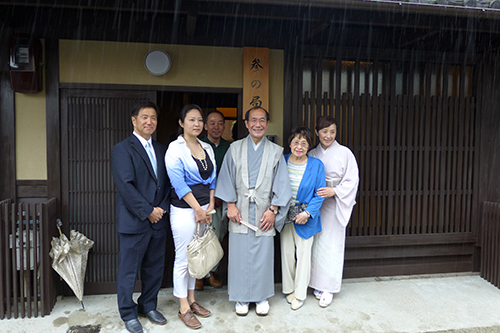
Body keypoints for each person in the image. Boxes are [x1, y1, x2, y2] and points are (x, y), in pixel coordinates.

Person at [215, 106, 292, 316]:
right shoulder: (235, 148)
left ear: (267, 124)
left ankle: (260, 297)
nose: (258, 124)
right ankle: (240, 297)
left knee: (263, 255)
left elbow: (282, 184)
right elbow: (226, 177)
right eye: (253, 120)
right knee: (239, 255)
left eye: (262, 120)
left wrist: (274, 210)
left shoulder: (277, 152)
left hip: (264, 212)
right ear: (246, 123)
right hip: (239, 210)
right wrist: (230, 205)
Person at [111, 101, 171, 333]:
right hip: (134, 221)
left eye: (153, 118)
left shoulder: (161, 150)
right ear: (134, 120)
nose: (149, 122)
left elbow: (167, 186)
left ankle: (148, 305)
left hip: (158, 220)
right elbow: (125, 186)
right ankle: (128, 313)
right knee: (128, 270)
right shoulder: (122, 149)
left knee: (154, 268)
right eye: (144, 117)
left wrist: (160, 209)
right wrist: (148, 211)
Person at [165, 104, 216, 329]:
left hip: (205, 208)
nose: (196, 124)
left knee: (198, 255)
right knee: (184, 258)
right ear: (181, 122)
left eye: (199, 120)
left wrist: (210, 205)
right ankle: (183, 307)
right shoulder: (174, 149)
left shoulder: (207, 147)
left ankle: (193, 300)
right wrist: (198, 209)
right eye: (191, 120)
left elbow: (213, 179)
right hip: (185, 210)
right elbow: (178, 182)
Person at [308, 115, 359, 308]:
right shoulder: (312, 153)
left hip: (335, 205)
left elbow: (352, 180)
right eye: (324, 131)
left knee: (331, 246)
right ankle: (315, 283)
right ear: (317, 132)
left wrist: (335, 191)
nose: (328, 136)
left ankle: (328, 287)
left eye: (332, 131)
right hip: (316, 205)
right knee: (315, 245)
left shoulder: (345, 153)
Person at [281, 126, 325, 310]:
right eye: (296, 142)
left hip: (305, 216)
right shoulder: (281, 161)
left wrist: (307, 213)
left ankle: (300, 294)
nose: (299, 146)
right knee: (287, 254)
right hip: (284, 215)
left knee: (304, 256)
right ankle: (288, 289)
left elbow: (320, 193)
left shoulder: (316, 165)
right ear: (290, 143)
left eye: (304, 143)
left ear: (309, 146)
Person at [196, 109, 231, 290]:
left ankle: (210, 272)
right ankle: (198, 275)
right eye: (212, 123)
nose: (216, 127)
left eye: (220, 123)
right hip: (201, 201)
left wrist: (221, 197)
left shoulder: (230, 147)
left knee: (217, 236)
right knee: (200, 236)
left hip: (224, 201)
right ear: (205, 126)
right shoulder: (197, 144)